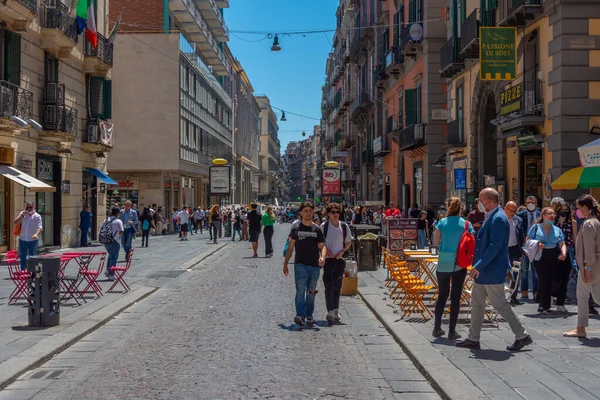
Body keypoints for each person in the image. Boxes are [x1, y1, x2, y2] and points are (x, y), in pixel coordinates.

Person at [456, 188, 532, 351]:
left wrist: (479, 265)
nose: (479, 203)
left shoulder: (498, 218)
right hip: (484, 271)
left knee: (500, 304)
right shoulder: (492, 215)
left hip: (491, 270)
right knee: (477, 303)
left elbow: (495, 246)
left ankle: (522, 335)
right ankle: (473, 338)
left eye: (480, 199)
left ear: (487, 201)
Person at [432, 197, 474, 340]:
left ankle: (437, 328)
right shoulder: (466, 224)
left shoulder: (442, 222)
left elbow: (435, 242)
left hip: (443, 262)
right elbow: (471, 242)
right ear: (461, 208)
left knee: (442, 295)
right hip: (459, 262)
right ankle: (452, 331)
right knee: (455, 297)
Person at [283, 202, 326, 327]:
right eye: (305, 211)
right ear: (300, 213)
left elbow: (323, 247)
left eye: (310, 211)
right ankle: (300, 315)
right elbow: (290, 248)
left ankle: (309, 315)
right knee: (300, 290)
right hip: (300, 264)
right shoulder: (296, 229)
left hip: (314, 265)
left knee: (311, 291)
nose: (308, 213)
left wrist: (322, 257)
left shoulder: (317, 229)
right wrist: (285, 263)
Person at [564, 195, 600, 338]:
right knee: (597, 297)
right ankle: (580, 327)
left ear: (585, 207)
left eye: (578, 208)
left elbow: (589, 251)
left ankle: (580, 328)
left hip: (590, 266)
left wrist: (587, 269)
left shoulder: (589, 224)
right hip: (595, 265)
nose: (577, 211)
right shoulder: (595, 221)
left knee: (582, 296)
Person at [526, 208, 568, 313]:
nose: (552, 215)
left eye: (553, 213)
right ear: (543, 216)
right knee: (543, 278)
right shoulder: (535, 227)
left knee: (550, 279)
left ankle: (547, 305)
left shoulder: (557, 229)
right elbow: (527, 240)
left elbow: (562, 243)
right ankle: (541, 304)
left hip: (553, 254)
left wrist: (564, 253)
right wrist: (537, 243)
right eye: (549, 213)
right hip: (540, 254)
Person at [321, 202, 352, 323]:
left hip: (339, 259)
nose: (336, 214)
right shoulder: (324, 226)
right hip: (328, 259)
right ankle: (329, 311)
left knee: (337, 286)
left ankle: (335, 310)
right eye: (333, 212)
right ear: (328, 213)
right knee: (328, 285)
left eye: (337, 212)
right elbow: (320, 242)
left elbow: (349, 241)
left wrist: (342, 252)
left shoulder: (343, 226)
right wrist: (327, 252)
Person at [552, 199, 577, 311]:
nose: (564, 212)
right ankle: (553, 296)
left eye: (566, 210)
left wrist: (576, 253)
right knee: (554, 277)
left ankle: (560, 302)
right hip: (554, 251)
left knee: (565, 278)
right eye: (562, 210)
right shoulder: (553, 222)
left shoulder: (573, 222)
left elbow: (575, 238)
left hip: (568, 252)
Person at [517, 196, 541, 300]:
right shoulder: (520, 216)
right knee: (524, 269)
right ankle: (524, 291)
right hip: (524, 246)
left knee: (536, 270)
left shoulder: (540, 216)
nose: (531, 204)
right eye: (529, 202)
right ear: (526, 204)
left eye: (533, 202)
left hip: (536, 246)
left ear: (536, 204)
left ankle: (536, 292)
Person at [504, 201, 526, 306]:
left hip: (514, 249)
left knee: (515, 274)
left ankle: (513, 296)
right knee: (502, 272)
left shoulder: (519, 220)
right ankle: (501, 296)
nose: (513, 213)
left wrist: (522, 250)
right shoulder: (500, 219)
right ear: (505, 209)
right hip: (502, 250)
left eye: (514, 211)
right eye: (510, 210)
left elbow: (521, 236)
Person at [14, 201, 42, 271]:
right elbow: (15, 222)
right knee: (23, 255)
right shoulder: (23, 214)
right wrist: (22, 216)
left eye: (30, 207)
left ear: (33, 207)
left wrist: (36, 234)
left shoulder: (37, 216)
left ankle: (31, 270)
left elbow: (40, 227)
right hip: (23, 238)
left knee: (32, 256)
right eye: (27, 207)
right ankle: (23, 270)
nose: (29, 209)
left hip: (32, 240)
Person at [103, 207, 123, 280]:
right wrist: (118, 237)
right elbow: (121, 231)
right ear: (117, 213)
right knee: (114, 257)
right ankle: (111, 273)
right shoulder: (118, 221)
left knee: (111, 255)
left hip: (106, 240)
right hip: (114, 241)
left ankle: (108, 271)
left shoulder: (105, 220)